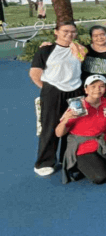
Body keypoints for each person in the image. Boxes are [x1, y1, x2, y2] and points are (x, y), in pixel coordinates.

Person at [30, 21, 87, 176]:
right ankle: (44, 162)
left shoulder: (79, 49)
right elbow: (35, 74)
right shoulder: (45, 50)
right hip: (53, 92)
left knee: (73, 126)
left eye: (73, 32)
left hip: (75, 91)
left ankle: (66, 157)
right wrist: (49, 90)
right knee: (50, 126)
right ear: (56, 31)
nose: (70, 34)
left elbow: (82, 60)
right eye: (65, 31)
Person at [56, 75, 106, 184]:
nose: (97, 89)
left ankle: (98, 159)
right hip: (83, 147)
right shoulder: (77, 106)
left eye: (101, 86)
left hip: (101, 140)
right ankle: (79, 165)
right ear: (86, 89)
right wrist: (66, 119)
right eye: (93, 86)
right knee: (101, 177)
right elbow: (58, 133)